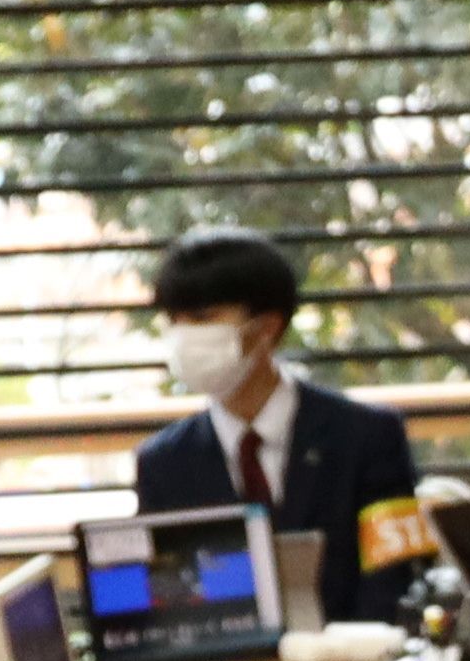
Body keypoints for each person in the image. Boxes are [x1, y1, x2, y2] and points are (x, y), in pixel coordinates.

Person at [128, 228, 424, 623]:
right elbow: (166, 600)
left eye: (202, 318)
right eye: (173, 321)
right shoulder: (163, 463)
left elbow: (395, 579)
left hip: (353, 654)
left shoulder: (368, 437)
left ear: (267, 325)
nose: (184, 337)